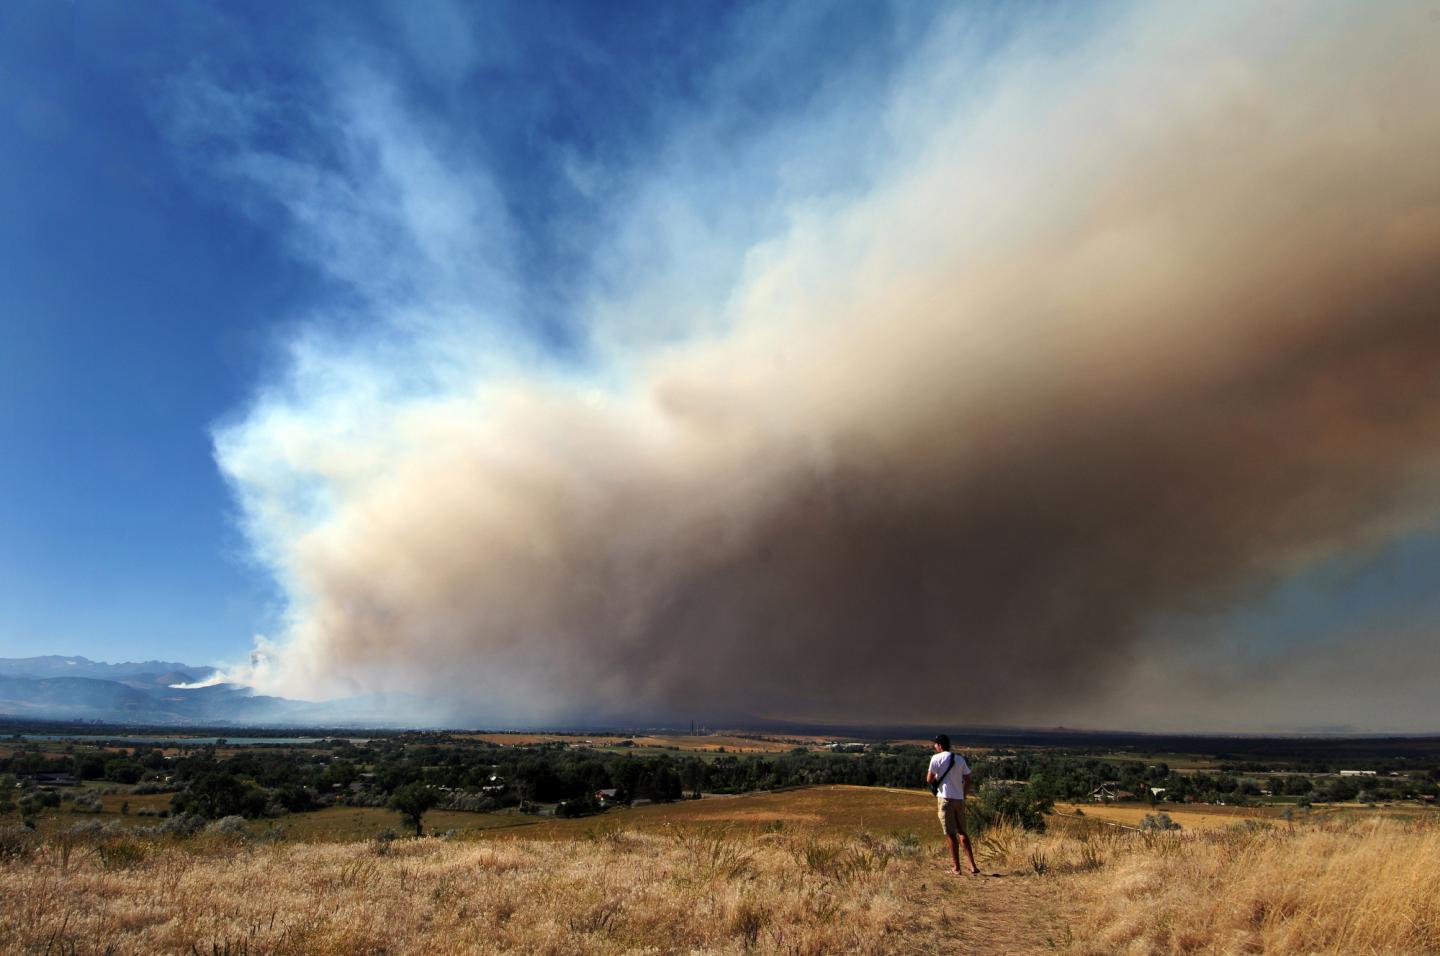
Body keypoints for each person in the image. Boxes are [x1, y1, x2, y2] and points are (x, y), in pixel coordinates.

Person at [927, 733, 979, 875]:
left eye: (935, 744)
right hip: (959, 799)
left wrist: (938, 778)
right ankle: (973, 866)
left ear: (939, 745)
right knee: (963, 832)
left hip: (945, 799)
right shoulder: (960, 759)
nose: (934, 746)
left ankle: (956, 868)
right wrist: (963, 794)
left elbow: (929, 779)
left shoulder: (936, 758)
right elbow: (968, 780)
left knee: (950, 834)